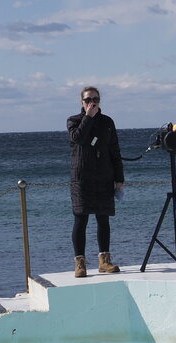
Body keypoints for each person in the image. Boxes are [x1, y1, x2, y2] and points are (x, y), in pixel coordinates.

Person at [67, 86, 124, 278]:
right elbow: (79, 138)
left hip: (104, 176)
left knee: (103, 219)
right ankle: (80, 263)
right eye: (88, 100)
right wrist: (88, 117)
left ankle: (104, 261)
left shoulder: (107, 122)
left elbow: (115, 151)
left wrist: (119, 178)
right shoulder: (74, 121)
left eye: (96, 100)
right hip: (82, 178)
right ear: (81, 102)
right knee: (81, 219)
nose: (92, 103)